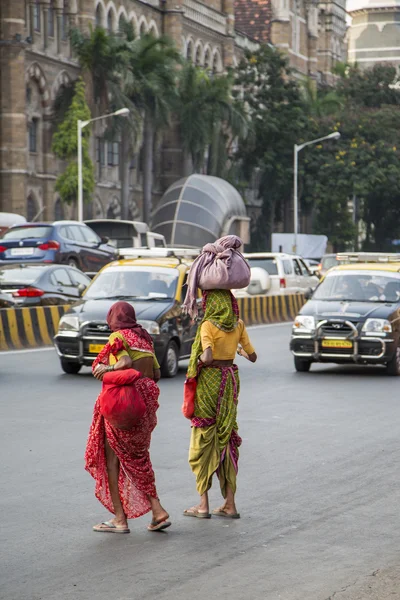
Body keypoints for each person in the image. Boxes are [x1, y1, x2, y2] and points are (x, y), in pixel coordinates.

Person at [85, 301, 171, 534]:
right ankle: (157, 511)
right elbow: (156, 374)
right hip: (143, 406)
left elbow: (125, 362)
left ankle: (120, 519)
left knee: (113, 460)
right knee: (138, 457)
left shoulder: (117, 338)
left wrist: (108, 370)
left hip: (123, 404)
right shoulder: (145, 339)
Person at [184, 290, 257, 520]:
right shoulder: (239, 325)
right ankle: (230, 504)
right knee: (225, 437)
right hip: (230, 383)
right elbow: (253, 356)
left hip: (209, 383)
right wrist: (236, 350)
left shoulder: (207, 325)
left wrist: (197, 361)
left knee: (204, 437)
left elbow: (205, 357)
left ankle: (203, 504)